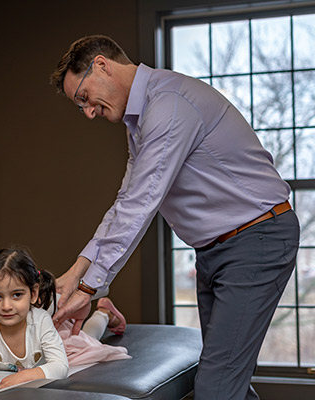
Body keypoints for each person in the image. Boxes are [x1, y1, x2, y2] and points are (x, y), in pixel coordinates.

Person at [50, 35, 300, 400]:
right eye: (80, 107)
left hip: (256, 239)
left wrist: (90, 289)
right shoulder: (141, 121)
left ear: (101, 65)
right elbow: (124, 202)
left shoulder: (168, 106)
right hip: (217, 250)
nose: (89, 112)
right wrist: (76, 273)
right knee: (228, 383)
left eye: (85, 98)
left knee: (216, 387)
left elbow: (141, 203)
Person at [0, 247, 129, 391]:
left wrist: (27, 375)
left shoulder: (41, 320)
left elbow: (60, 366)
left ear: (33, 293)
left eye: (16, 295)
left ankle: (104, 313)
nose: (6, 306)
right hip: (40, 345)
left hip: (58, 347)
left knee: (87, 340)